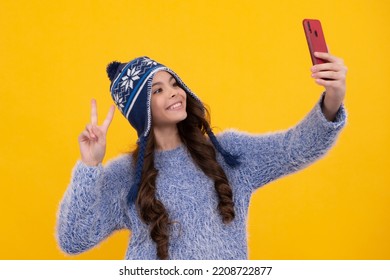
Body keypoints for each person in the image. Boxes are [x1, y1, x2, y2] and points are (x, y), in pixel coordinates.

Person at [56, 53, 347, 260]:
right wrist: (90, 166)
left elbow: (295, 148)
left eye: (173, 83)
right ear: (140, 110)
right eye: (158, 90)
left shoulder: (228, 154)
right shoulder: (125, 175)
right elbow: (74, 240)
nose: (174, 93)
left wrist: (332, 100)